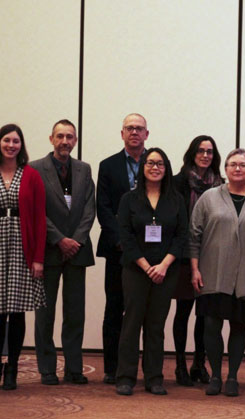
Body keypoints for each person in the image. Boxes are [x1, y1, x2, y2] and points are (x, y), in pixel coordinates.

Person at [190, 148, 245, 397]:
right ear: (225, 169)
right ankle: (215, 375)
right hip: (212, 273)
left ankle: (233, 377)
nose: (237, 169)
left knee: (239, 326)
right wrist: (194, 269)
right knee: (212, 325)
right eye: (232, 164)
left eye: (242, 165)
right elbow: (194, 236)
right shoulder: (208, 198)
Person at [0, 124, 46, 391]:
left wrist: (38, 258)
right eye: (7, 140)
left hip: (21, 246)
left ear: (21, 146)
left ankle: (12, 367)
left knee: (16, 311)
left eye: (16, 141)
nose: (11, 145)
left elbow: (39, 219)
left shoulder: (31, 176)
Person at [115, 148, 187, 396]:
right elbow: (125, 236)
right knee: (131, 322)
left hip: (166, 271)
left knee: (156, 324)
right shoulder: (129, 200)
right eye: (150, 163)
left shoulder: (177, 200)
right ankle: (125, 377)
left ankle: (154, 377)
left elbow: (181, 237)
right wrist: (146, 266)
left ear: (166, 169)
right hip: (136, 269)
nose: (154, 167)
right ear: (142, 167)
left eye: (160, 164)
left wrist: (164, 265)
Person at [30, 120, 96, 385]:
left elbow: (89, 210)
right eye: (60, 136)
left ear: (76, 140)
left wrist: (75, 241)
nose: (65, 141)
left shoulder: (84, 169)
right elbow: (36, 211)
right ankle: (47, 369)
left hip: (77, 252)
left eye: (69, 137)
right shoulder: (35, 169)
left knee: (75, 313)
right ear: (51, 139)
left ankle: (74, 369)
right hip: (48, 250)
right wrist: (59, 240)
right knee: (45, 314)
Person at [96, 113, 149, 384]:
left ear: (147, 134)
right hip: (117, 249)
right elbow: (103, 208)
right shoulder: (108, 166)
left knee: (144, 310)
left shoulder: (156, 163)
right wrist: (122, 240)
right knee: (115, 307)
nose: (135, 133)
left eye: (139, 129)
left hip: (150, 251)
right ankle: (111, 367)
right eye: (130, 128)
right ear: (122, 133)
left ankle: (146, 369)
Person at [172, 135, 222, 386]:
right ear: (192, 153)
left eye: (210, 152)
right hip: (183, 256)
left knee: (205, 314)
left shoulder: (220, 184)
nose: (205, 155)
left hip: (211, 257)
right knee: (183, 311)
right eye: (201, 151)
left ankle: (199, 363)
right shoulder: (178, 182)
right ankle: (180, 363)